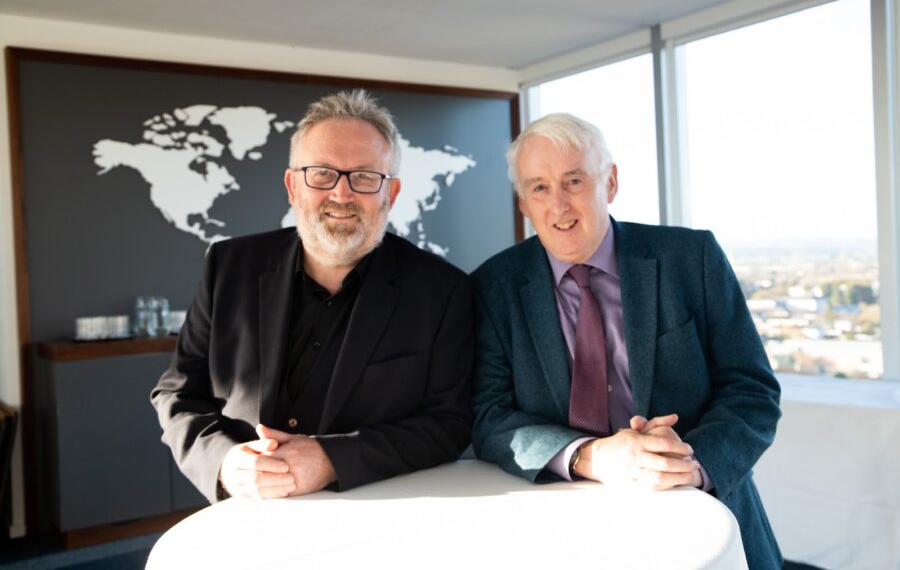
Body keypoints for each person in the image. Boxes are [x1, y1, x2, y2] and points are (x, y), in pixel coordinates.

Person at [471, 113, 782, 569]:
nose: (558, 205)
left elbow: (752, 390)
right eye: (539, 187)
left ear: (610, 183)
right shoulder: (493, 286)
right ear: (523, 202)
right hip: (561, 526)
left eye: (574, 181)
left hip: (701, 508)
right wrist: (590, 457)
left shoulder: (691, 259)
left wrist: (691, 468)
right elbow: (488, 416)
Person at [151, 89, 473, 502]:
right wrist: (224, 462)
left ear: (390, 194)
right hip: (246, 512)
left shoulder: (443, 291)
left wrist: (331, 459)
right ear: (292, 185)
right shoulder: (227, 266)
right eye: (322, 173)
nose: (341, 194)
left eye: (364, 176)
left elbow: (450, 422)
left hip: (377, 511)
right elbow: (177, 393)